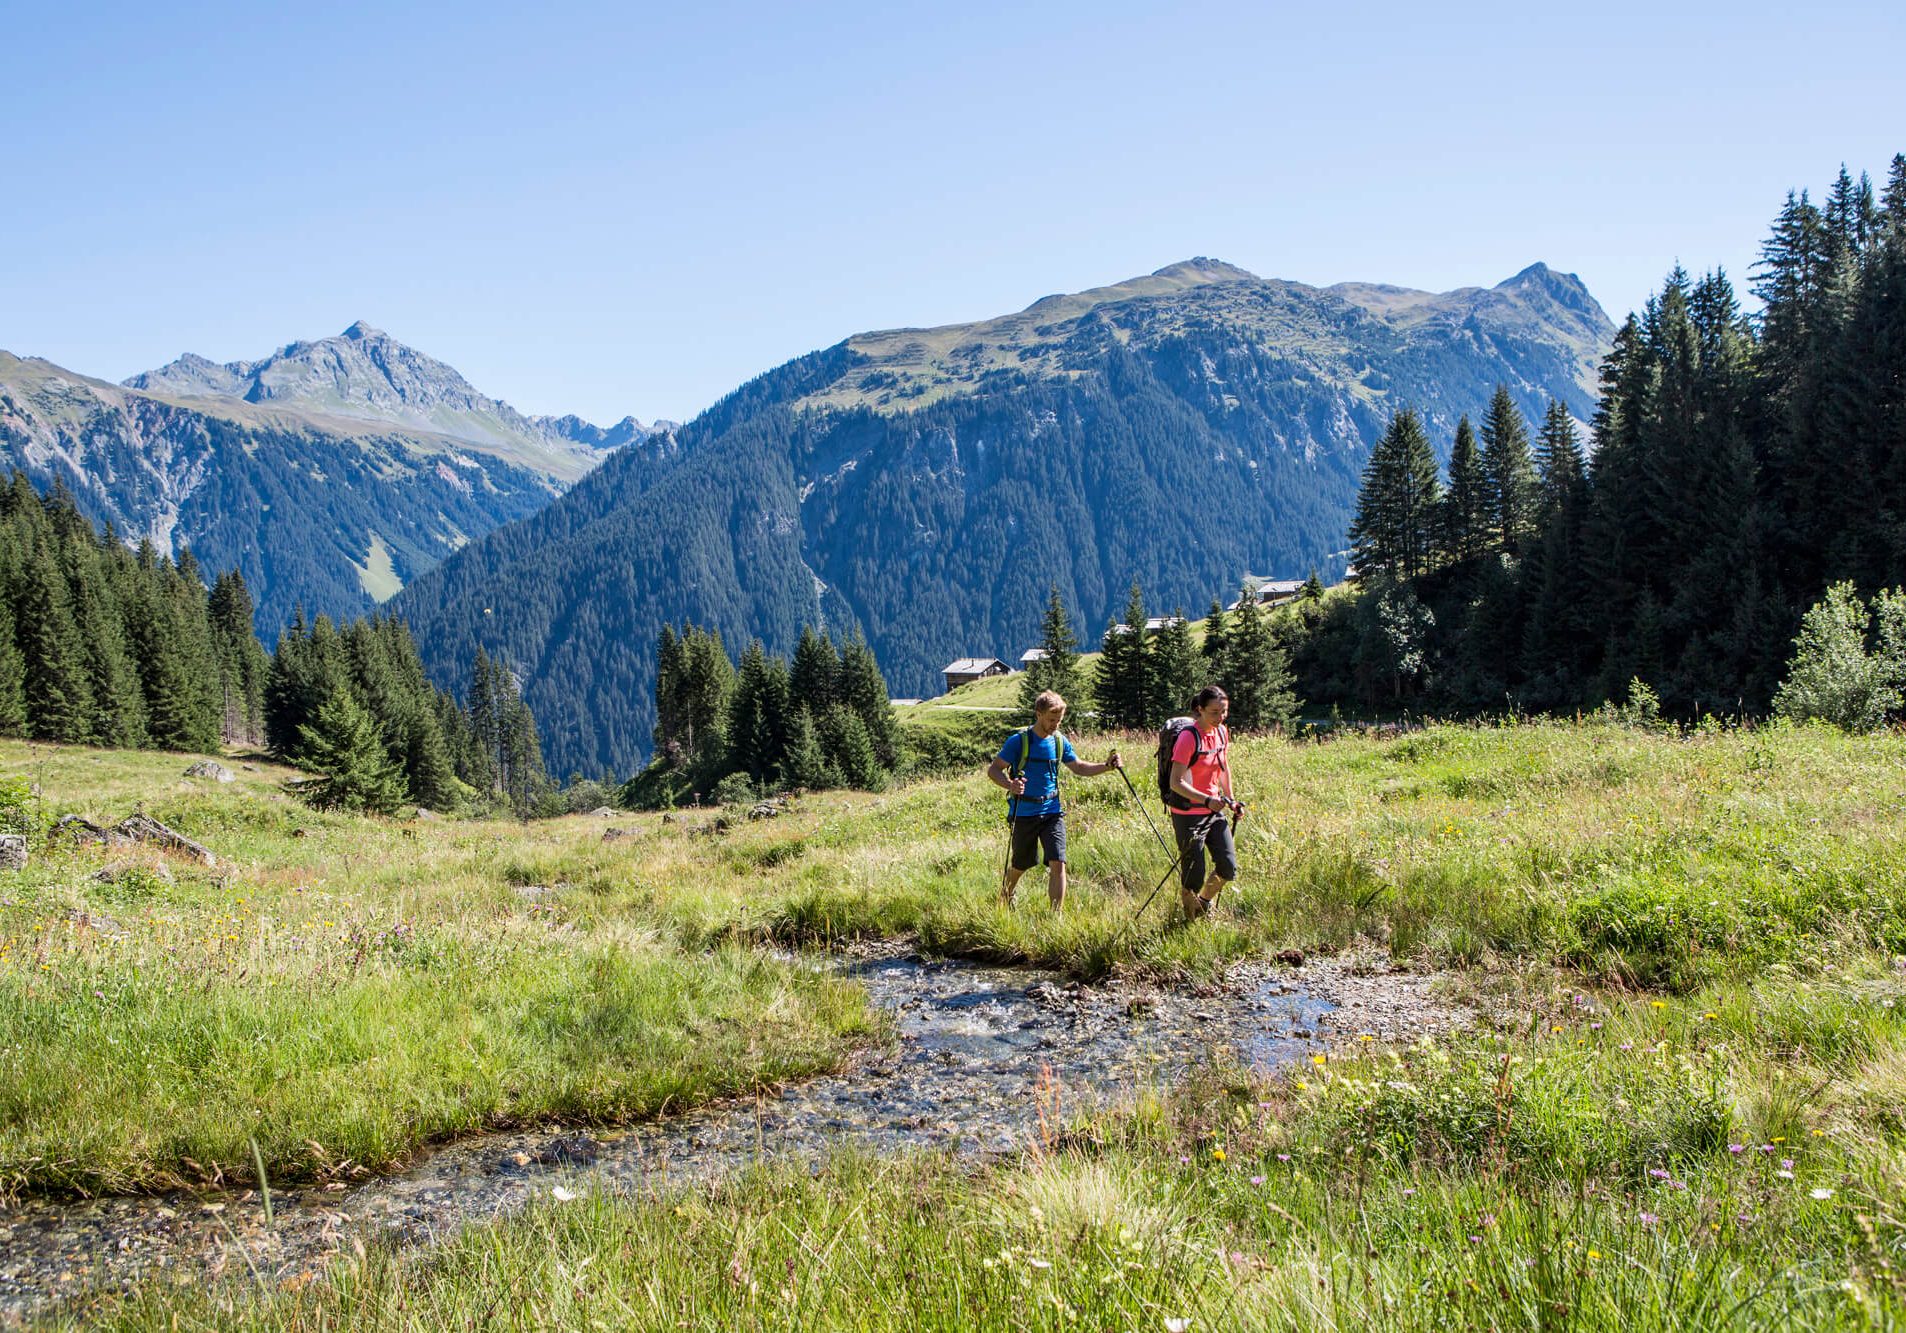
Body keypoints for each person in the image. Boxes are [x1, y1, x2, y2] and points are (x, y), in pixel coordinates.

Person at [986, 690, 1122, 910]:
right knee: (1021, 864)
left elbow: (1078, 766)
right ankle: (1006, 894)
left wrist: (1106, 767)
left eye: (1059, 720)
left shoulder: (1059, 741)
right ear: (1038, 714)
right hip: (1024, 812)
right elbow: (994, 770)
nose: (1055, 725)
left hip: (1052, 811)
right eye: (1051, 720)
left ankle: (1055, 916)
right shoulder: (1018, 742)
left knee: (1058, 862)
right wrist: (1010, 785)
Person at [1165, 685, 1240, 920]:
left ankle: (1203, 903)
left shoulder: (1221, 733)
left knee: (1228, 867)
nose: (1220, 717)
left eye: (1224, 712)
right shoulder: (1188, 738)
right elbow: (1175, 782)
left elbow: (1223, 767)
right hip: (1187, 813)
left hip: (1214, 810)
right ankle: (1190, 919)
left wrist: (1231, 799)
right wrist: (1207, 799)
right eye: (1214, 712)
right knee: (1194, 875)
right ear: (1200, 710)